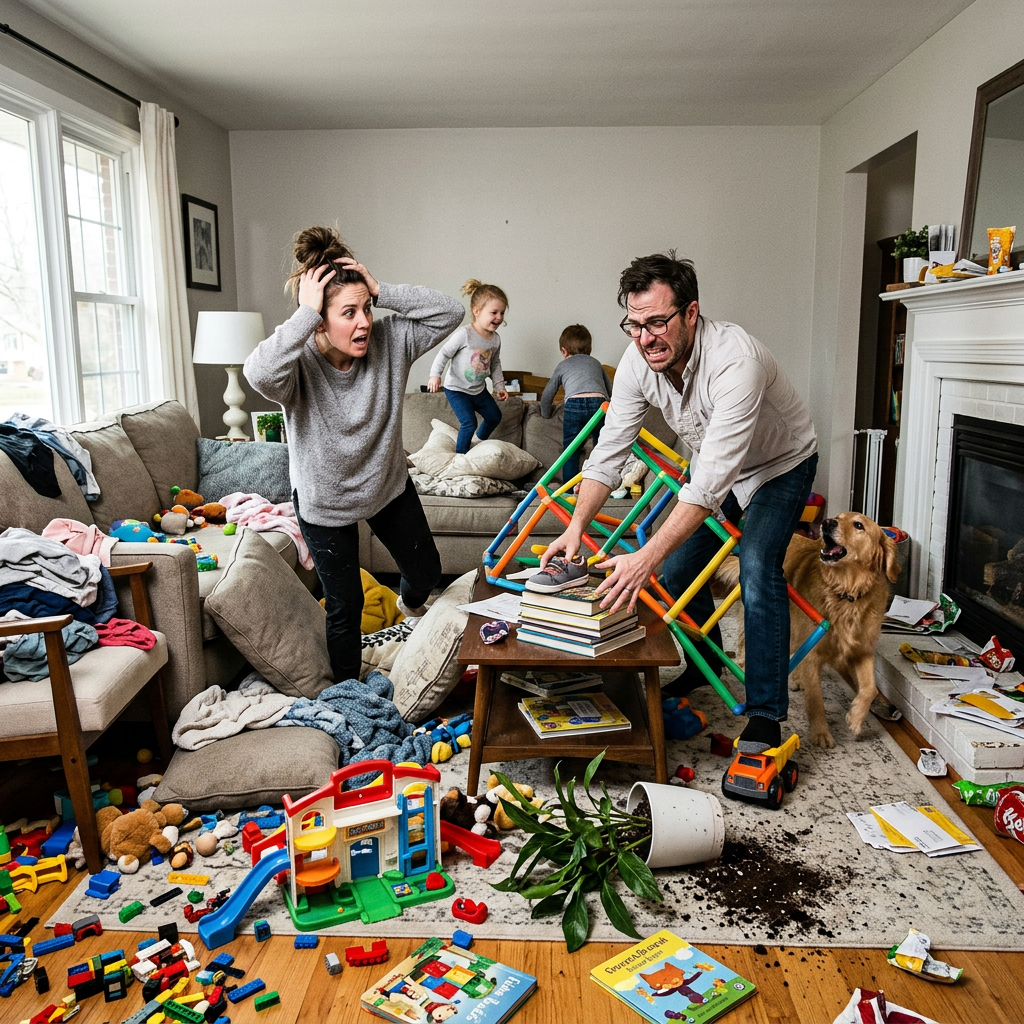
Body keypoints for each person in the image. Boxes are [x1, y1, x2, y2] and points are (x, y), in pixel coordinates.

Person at [541, 252, 817, 755]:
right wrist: (576, 526)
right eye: (634, 323)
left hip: (780, 465)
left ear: (691, 313)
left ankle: (765, 716)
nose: (645, 337)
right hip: (715, 461)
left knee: (757, 569)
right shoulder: (636, 360)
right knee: (681, 571)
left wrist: (646, 556)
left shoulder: (737, 362)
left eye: (657, 322)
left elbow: (708, 486)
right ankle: (705, 668)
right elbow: (609, 453)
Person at [244, 226, 464, 683]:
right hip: (324, 507)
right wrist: (305, 312)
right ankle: (348, 695)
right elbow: (258, 371)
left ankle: (407, 610)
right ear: (319, 321)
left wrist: (382, 291)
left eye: (367, 308)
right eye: (349, 312)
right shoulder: (297, 366)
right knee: (346, 606)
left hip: (386, 489)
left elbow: (452, 312)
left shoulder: (389, 340)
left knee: (427, 572)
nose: (363, 321)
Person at [427, 279, 509, 453]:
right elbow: (444, 353)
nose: (499, 317)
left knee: (494, 416)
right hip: (456, 389)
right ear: (477, 311)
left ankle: (476, 443)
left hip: (478, 390)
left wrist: (499, 385)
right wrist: (435, 375)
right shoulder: (464, 334)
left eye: (502, 313)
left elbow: (495, 363)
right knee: (469, 422)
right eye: (494, 312)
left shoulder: (496, 340)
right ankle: (461, 457)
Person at [540, 324, 613, 484]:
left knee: (571, 449)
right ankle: (600, 483)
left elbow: (548, 393)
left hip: (573, 404)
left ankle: (569, 488)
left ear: (564, 351)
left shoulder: (563, 365)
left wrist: (545, 414)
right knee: (601, 447)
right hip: (599, 405)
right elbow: (610, 390)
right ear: (589, 349)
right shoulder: (596, 363)